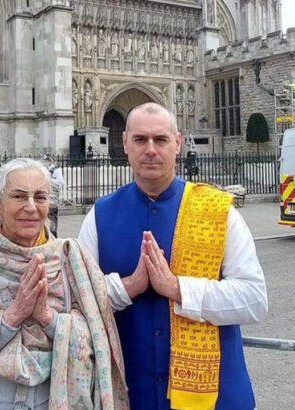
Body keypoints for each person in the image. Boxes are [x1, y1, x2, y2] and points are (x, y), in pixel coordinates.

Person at [78, 103, 268, 410]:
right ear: (125, 143)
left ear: (178, 143)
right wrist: (129, 286)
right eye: (140, 140)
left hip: (216, 397)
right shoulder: (99, 216)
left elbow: (254, 300)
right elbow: (78, 301)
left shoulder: (219, 212)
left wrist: (177, 288)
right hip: (128, 397)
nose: (150, 149)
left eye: (161, 139)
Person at [0, 158, 128, 410]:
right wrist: (12, 316)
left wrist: (48, 318)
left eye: (40, 197)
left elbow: (99, 343)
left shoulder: (71, 258)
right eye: (18, 196)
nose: (31, 207)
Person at [40, 153, 64, 237]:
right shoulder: (44, 170)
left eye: (47, 160)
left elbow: (60, 182)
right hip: (44, 199)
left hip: (53, 201)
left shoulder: (57, 170)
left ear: (50, 161)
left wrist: (50, 179)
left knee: (52, 221)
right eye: (45, 160)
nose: (45, 162)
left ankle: (53, 237)